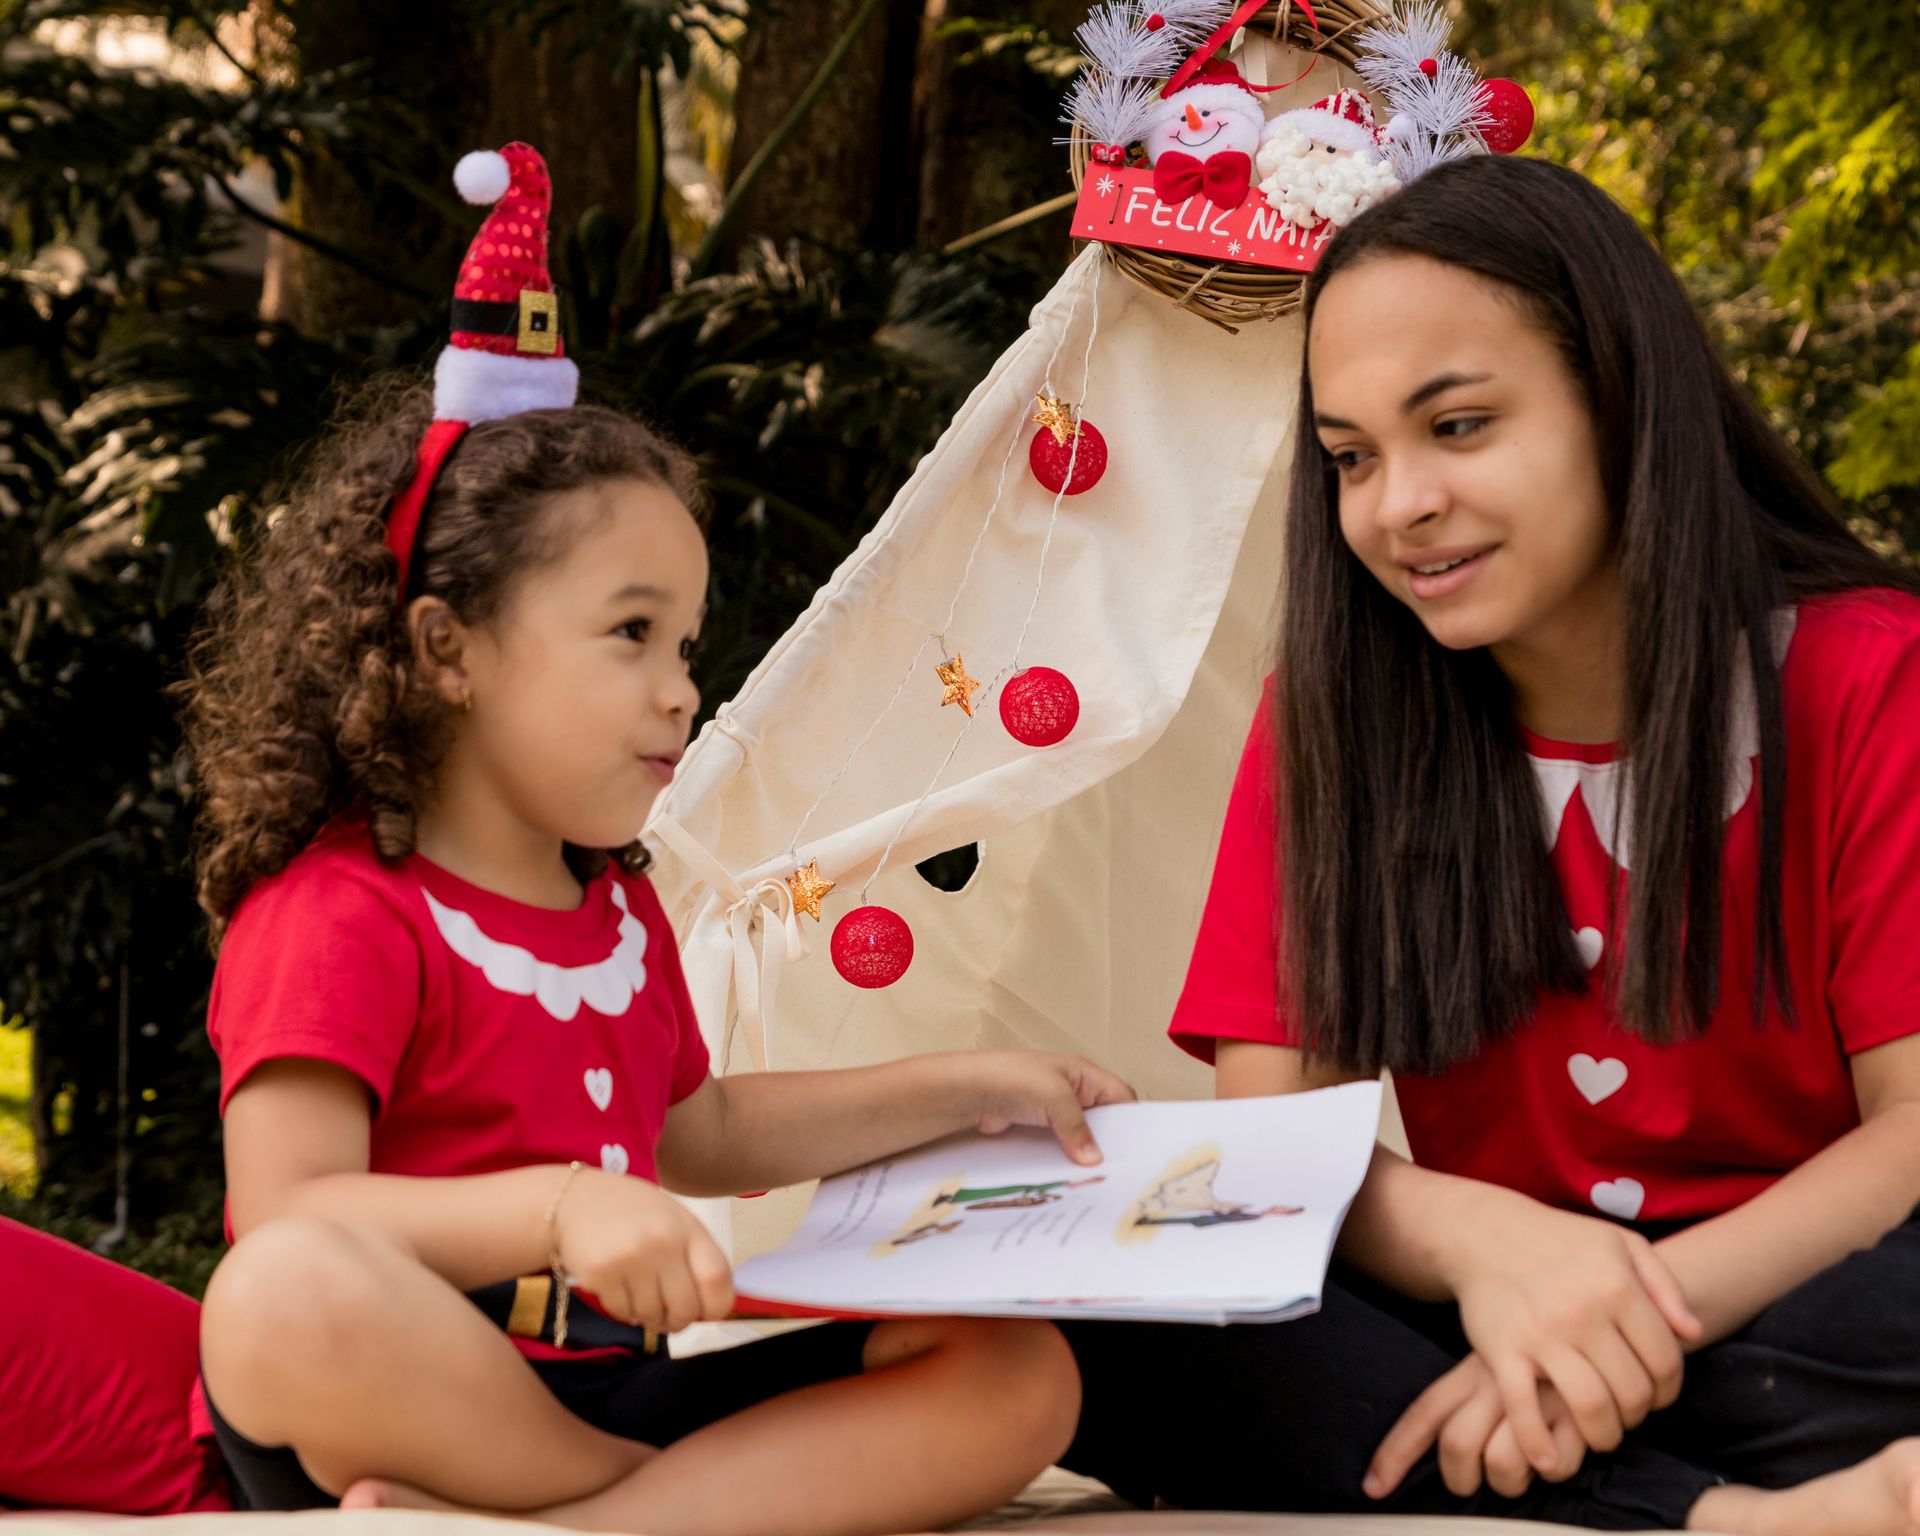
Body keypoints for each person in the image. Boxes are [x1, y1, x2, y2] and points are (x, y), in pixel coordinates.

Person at [178, 142, 1133, 1536]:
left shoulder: (618, 916)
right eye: (630, 635)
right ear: (447, 649)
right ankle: (680, 1512)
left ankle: (582, 1524)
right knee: (277, 1295)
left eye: (686, 642)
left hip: (603, 1400)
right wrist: (559, 1211)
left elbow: (702, 1130)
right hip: (395, 1385)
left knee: (1017, 1373)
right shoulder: (342, 910)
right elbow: (288, 1210)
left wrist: (971, 1084)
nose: (681, 686)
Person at [1059, 154, 1920, 1536]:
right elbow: (1276, 1153)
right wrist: (1497, 1250)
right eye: (1351, 457)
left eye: (1457, 427)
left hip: (1798, 1289)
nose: (1398, 504)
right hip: (1496, 1304)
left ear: (1623, 400)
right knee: (1108, 1280)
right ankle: (1727, 1514)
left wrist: (1628, 1317)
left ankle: (1571, 1455)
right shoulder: (1331, 719)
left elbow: (1915, 1134)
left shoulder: (1870, 676)